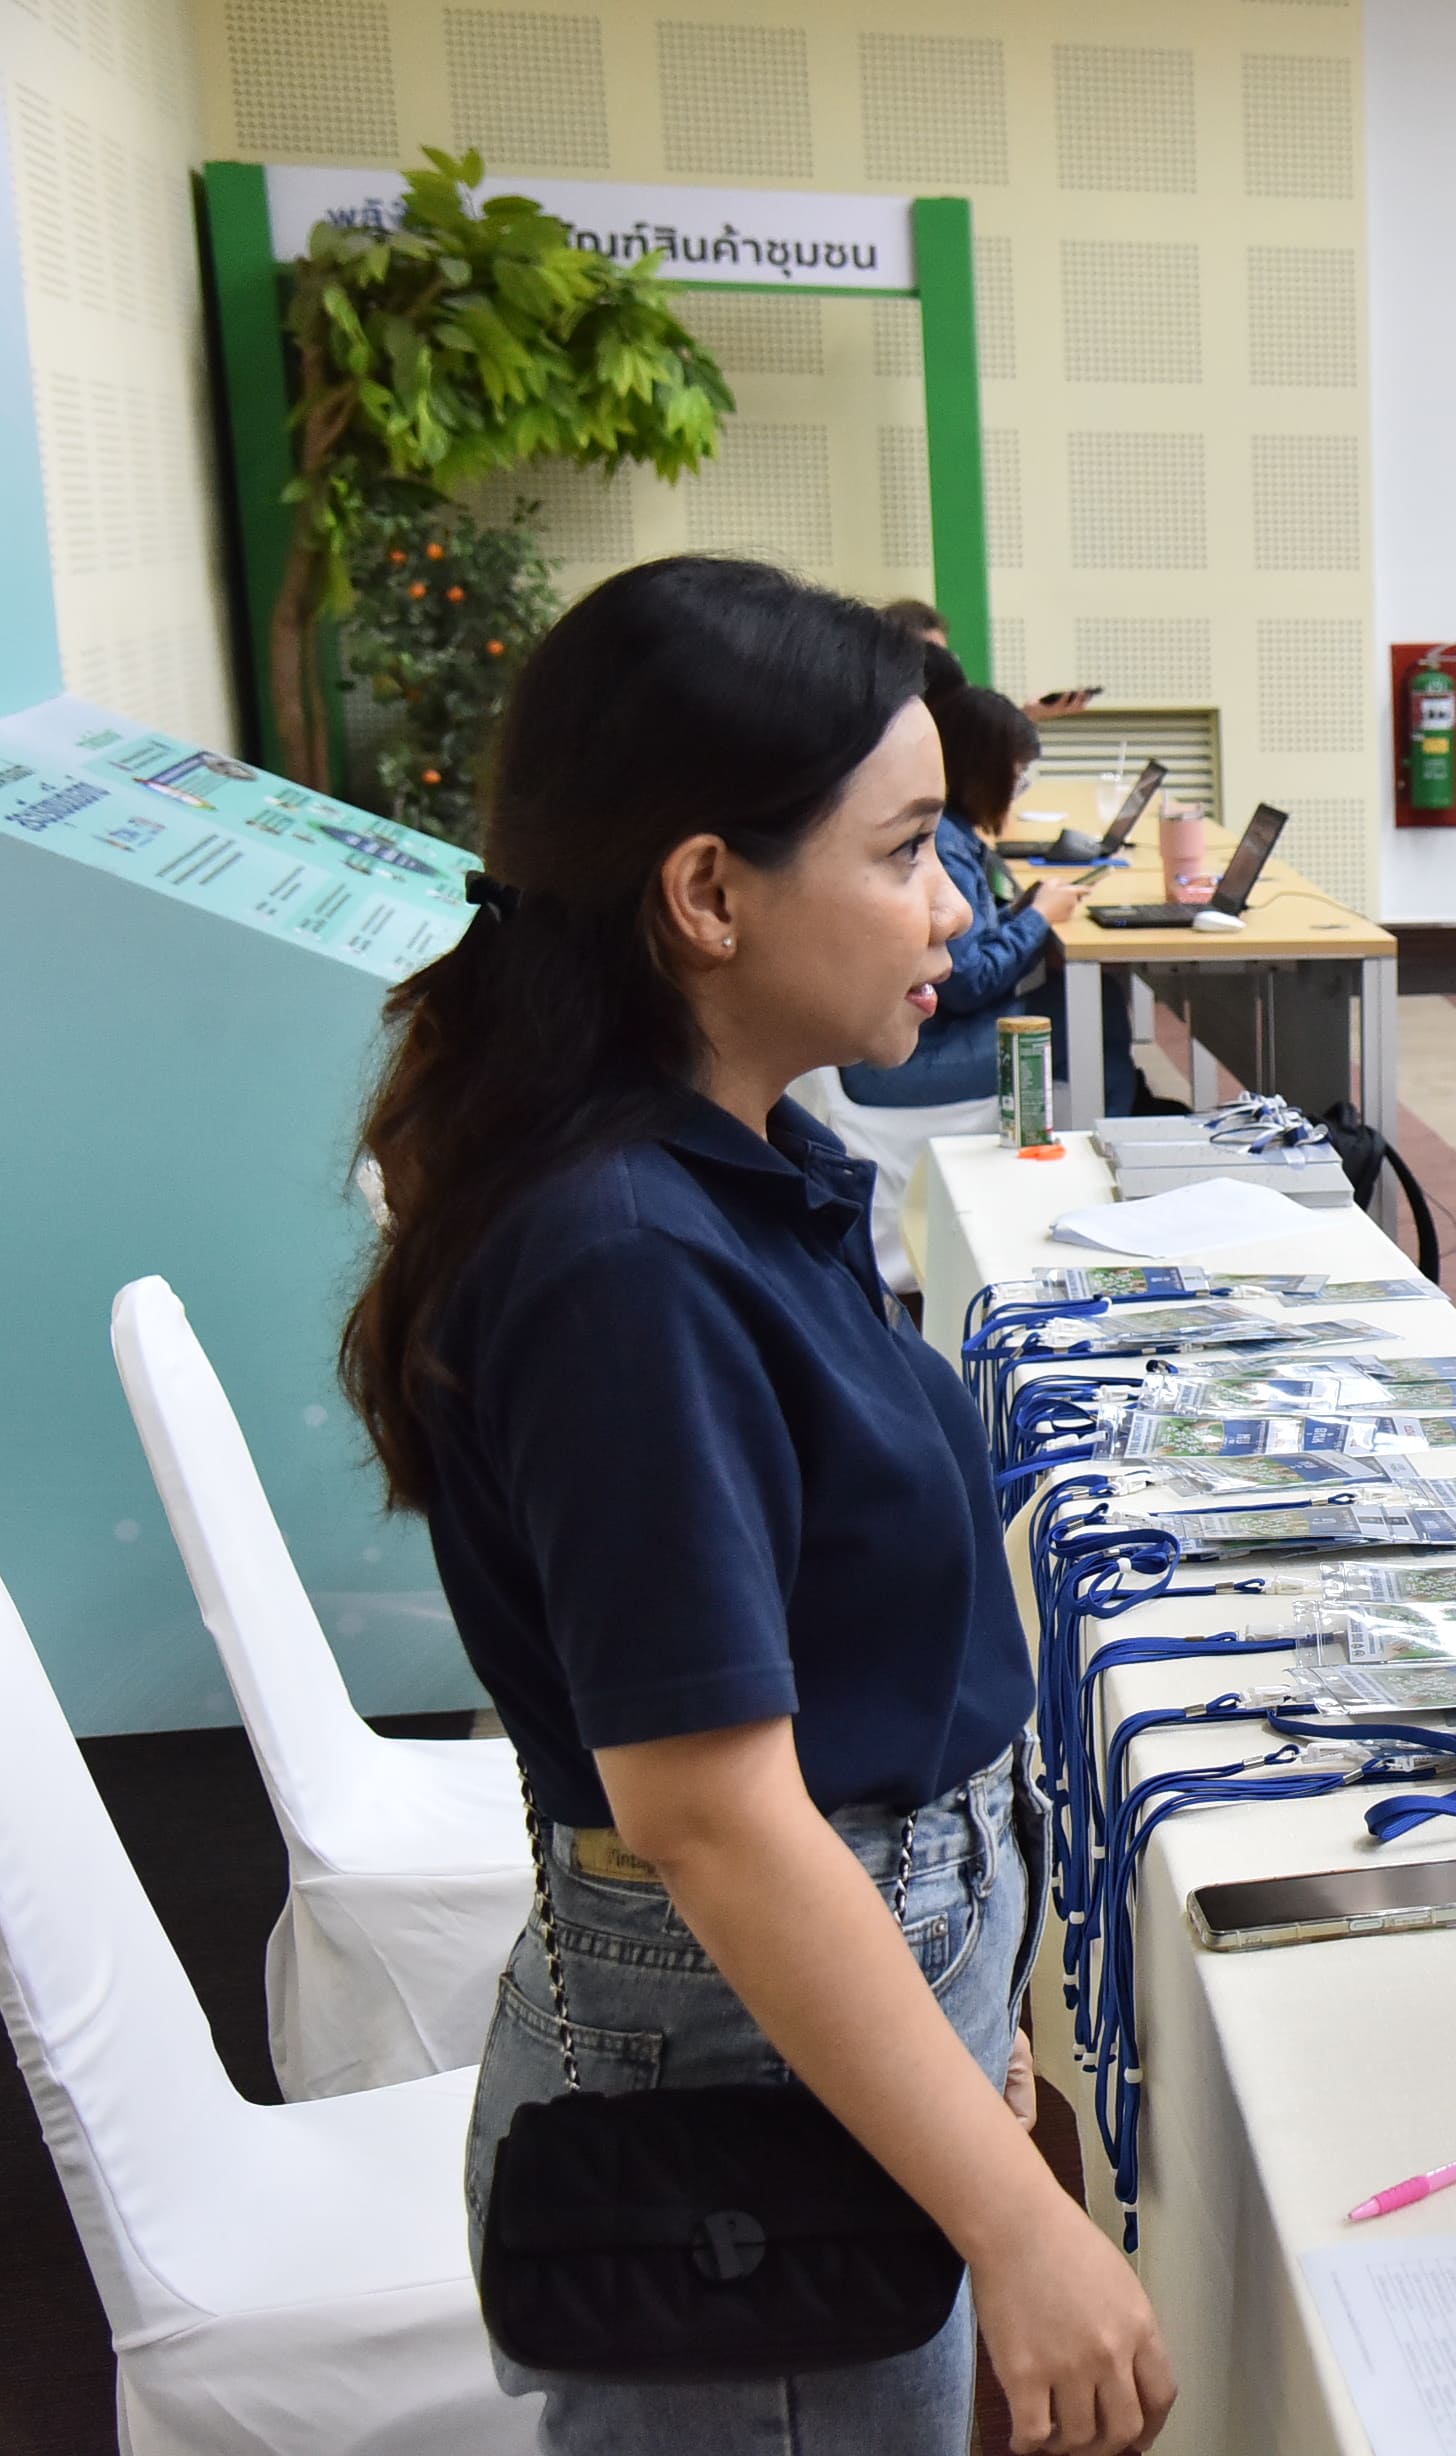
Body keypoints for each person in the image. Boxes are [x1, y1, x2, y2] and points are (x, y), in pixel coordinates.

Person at [340, 556, 1177, 2456]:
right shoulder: (627, 1263)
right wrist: (1016, 2216)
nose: (953, 903)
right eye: (903, 851)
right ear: (708, 893)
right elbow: (713, 1818)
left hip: (836, 1973)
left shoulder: (730, 1163)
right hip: (754, 2031)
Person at [833, 680, 1087, 1291]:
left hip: (927, 1036)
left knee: (1084, 1008)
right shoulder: (945, 840)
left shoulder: (951, 835)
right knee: (1081, 1034)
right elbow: (967, 981)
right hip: (910, 1058)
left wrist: (1024, 914)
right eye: (1018, 774)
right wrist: (1037, 919)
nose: (1020, 787)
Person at [877, 597, 1098, 720]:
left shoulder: (945, 716)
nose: (942, 668)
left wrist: (1029, 715)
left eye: (944, 657)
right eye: (930, 659)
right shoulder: (882, 727)